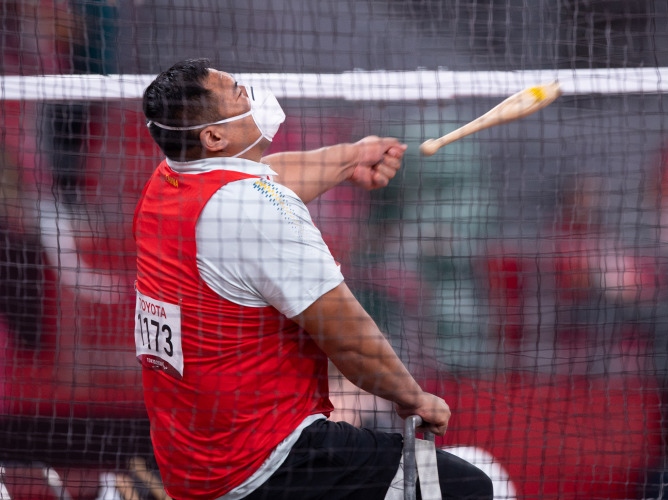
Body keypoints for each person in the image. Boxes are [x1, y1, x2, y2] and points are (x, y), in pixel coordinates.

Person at [134, 58, 493, 500]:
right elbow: (348, 337)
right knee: (463, 487)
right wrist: (413, 398)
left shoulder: (167, 182)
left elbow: (268, 178)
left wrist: (351, 158)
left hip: (192, 464)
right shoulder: (256, 211)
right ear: (214, 138)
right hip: (268, 462)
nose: (252, 94)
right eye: (239, 94)